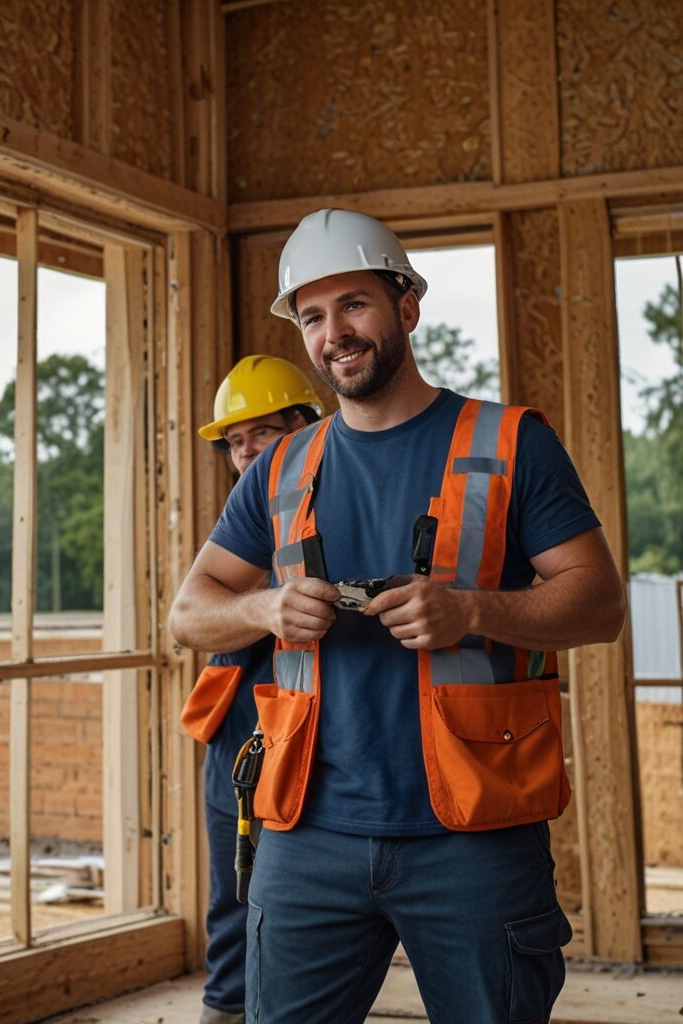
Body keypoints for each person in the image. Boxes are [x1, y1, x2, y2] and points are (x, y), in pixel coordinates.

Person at [169, 209, 626, 1024]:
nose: (334, 333)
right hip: (308, 831)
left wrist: (472, 608)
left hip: (474, 831)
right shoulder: (280, 467)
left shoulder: (511, 442)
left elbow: (601, 603)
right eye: (313, 316)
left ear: (407, 307)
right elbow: (189, 613)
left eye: (354, 304)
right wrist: (267, 606)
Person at [181, 354, 322, 1024]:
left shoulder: (324, 509)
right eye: (234, 442)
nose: (244, 453)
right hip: (237, 733)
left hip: (312, 733)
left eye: (259, 433)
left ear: (303, 428)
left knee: (298, 907)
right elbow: (188, 618)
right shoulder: (242, 521)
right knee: (233, 894)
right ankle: (224, 1008)